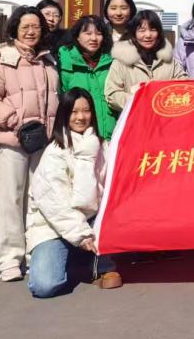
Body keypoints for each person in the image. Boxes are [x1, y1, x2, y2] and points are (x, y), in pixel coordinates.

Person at [26, 88, 122, 297]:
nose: (81, 117)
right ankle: (75, 257)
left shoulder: (102, 147)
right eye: (74, 112)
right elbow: (55, 204)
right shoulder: (54, 152)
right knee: (45, 286)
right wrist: (80, 235)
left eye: (86, 111)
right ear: (64, 114)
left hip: (92, 222)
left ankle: (95, 263)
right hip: (55, 226)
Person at [0, 5, 59, 282]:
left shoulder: (48, 62)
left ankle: (33, 253)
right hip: (12, 142)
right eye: (25, 27)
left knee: (37, 199)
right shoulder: (1, 62)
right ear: (14, 29)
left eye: (36, 27)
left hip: (43, 143)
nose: (31, 32)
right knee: (10, 199)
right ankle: (8, 259)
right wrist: (13, 120)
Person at [105, 9, 187, 114]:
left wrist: (162, 95)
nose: (148, 35)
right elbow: (112, 95)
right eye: (142, 30)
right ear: (134, 33)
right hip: (135, 119)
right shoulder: (121, 61)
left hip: (165, 120)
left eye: (152, 29)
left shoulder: (169, 61)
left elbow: (184, 85)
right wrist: (139, 100)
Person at [58, 15, 115, 139]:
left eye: (99, 34)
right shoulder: (63, 61)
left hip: (110, 133)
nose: (94, 38)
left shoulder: (112, 61)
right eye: (88, 33)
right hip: (77, 135)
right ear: (77, 36)